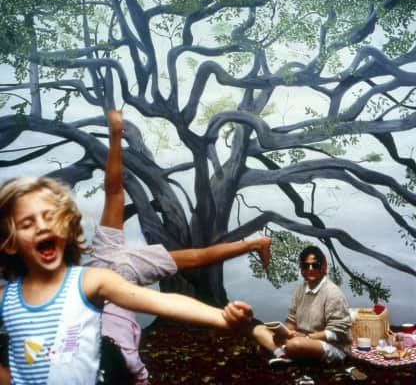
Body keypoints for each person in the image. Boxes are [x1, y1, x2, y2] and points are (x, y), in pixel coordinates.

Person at [0, 176, 254, 384]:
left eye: (49, 217)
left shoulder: (92, 280)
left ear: (67, 226)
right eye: (27, 224)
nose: (42, 227)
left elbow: (163, 302)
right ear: (10, 244)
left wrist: (221, 317)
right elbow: (114, 193)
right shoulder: (5, 298)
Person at [86, 109, 271, 384]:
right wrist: (115, 135)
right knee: (197, 257)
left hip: (114, 265)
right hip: (118, 270)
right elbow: (114, 191)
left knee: (197, 257)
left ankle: (256, 243)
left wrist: (115, 135)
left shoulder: (97, 258)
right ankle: (256, 243)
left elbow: (114, 190)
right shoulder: (93, 269)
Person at [251, 245, 352, 365]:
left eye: (315, 265)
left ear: (322, 267)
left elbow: (335, 334)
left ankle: (282, 351)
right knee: (259, 330)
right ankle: (282, 354)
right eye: (306, 265)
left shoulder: (333, 292)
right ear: (302, 269)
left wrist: (306, 337)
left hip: (332, 346)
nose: (310, 269)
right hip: (301, 339)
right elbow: (291, 322)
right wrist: (282, 334)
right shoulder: (300, 290)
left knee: (295, 344)